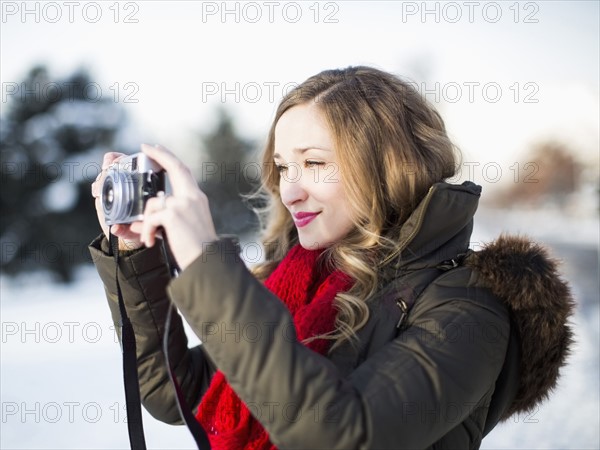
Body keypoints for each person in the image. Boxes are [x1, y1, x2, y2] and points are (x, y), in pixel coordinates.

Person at [89, 66, 574, 449]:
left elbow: (340, 434)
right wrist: (137, 254)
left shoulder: (468, 305)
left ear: (389, 167)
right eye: (283, 167)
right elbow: (175, 391)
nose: (290, 190)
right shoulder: (295, 283)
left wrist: (209, 269)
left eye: (315, 163)